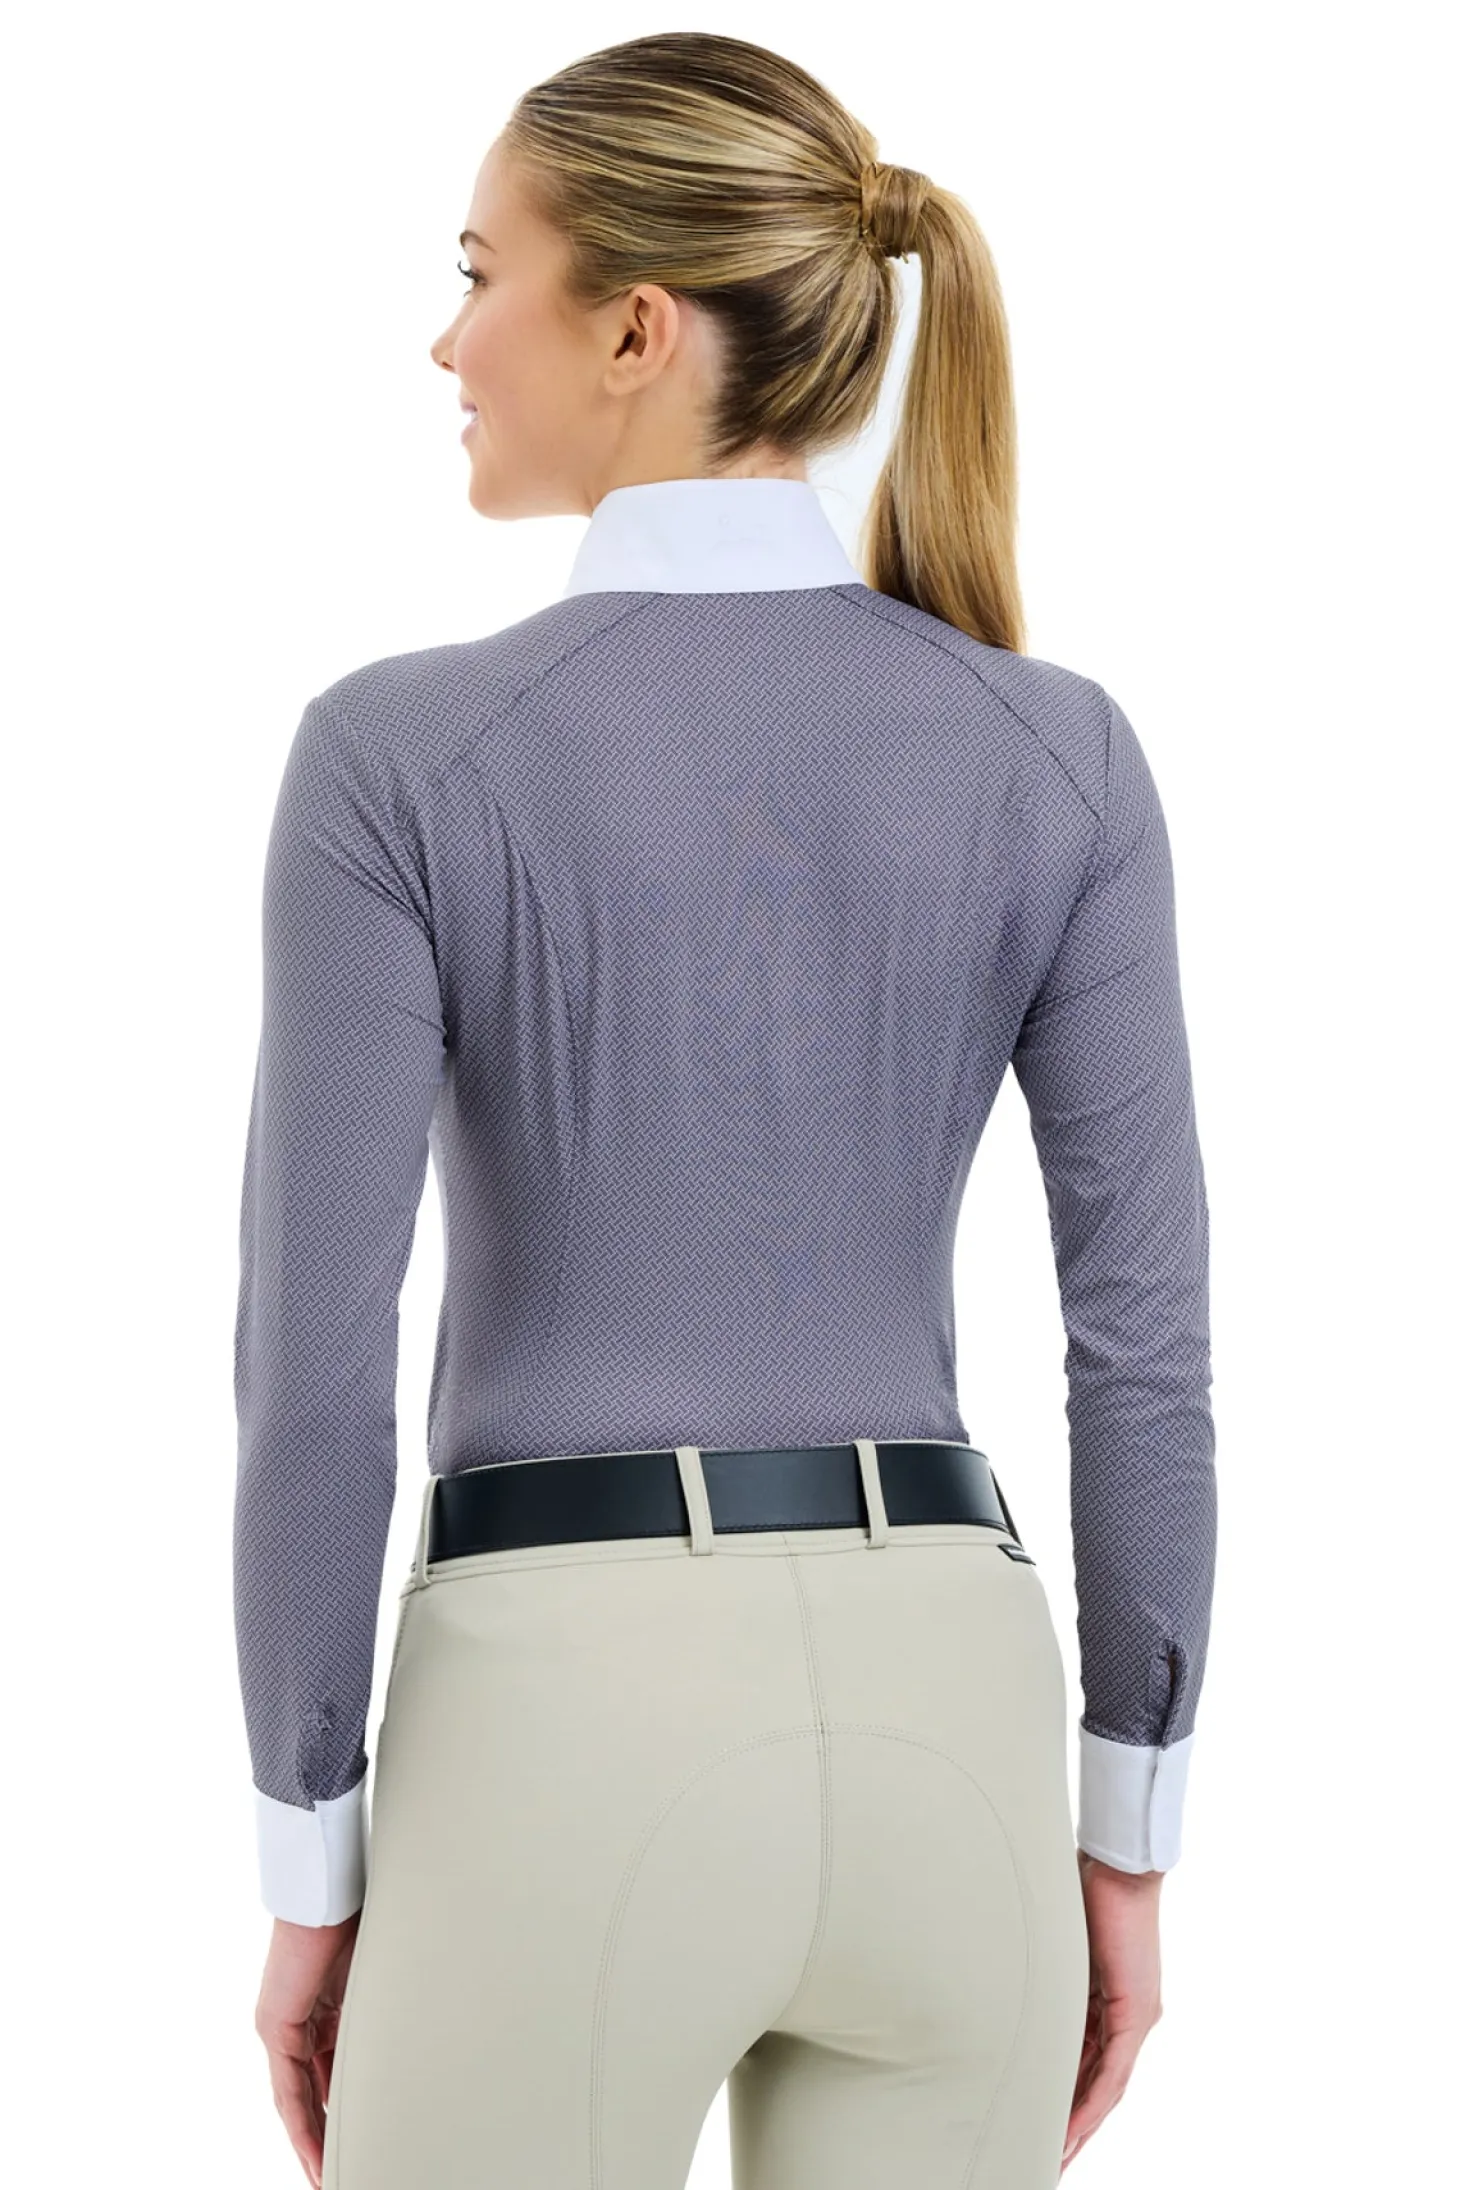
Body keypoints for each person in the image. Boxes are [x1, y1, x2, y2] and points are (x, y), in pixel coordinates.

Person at [233, 30, 1216, 2190]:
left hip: (558, 1720)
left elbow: (313, 1370)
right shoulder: (1057, 751)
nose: (445, 340)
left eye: (477, 271)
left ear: (637, 327)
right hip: (958, 1707)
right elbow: (1145, 1350)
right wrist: (1125, 1831)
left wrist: (313, 1858)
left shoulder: (400, 758)